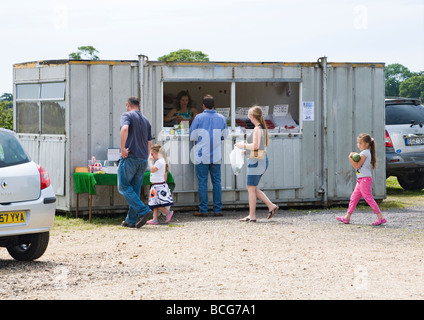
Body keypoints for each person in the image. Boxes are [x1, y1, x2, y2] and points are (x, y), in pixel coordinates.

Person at [235, 106, 279, 222]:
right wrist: (246, 152)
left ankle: (252, 215)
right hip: (258, 160)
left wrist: (242, 145)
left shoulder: (257, 129)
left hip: (256, 162)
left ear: (252, 116)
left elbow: (255, 145)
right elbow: (257, 147)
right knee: (252, 188)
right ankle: (270, 206)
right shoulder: (260, 128)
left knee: (251, 188)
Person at [190, 94, 228, 216]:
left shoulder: (198, 118)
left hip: (202, 155)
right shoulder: (222, 118)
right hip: (216, 155)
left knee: (202, 182)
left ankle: (203, 210)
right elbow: (225, 135)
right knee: (217, 182)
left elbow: (192, 136)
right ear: (214, 105)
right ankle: (217, 210)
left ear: (203, 106)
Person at [336, 133, 387, 226]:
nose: (359, 145)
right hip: (361, 180)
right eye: (358, 143)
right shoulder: (364, 153)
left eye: (361, 143)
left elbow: (357, 166)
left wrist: (350, 157)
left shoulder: (365, 153)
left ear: (367, 144)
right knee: (354, 198)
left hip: (365, 180)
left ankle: (381, 218)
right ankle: (347, 218)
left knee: (368, 198)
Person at [118, 96, 153, 228]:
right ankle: (131, 220)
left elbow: (125, 129)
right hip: (143, 158)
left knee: (124, 186)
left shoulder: (127, 115)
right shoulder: (146, 120)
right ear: (139, 105)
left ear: (128, 104)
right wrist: (146, 156)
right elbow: (149, 142)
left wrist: (122, 148)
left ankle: (143, 211)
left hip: (130, 157)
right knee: (135, 189)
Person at [146, 144, 174, 225]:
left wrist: (150, 161)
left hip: (158, 186)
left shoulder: (160, 162)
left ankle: (167, 212)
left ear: (156, 152)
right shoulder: (161, 162)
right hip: (157, 186)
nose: (152, 156)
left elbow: (152, 170)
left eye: (152, 154)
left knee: (155, 203)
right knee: (155, 203)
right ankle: (155, 219)